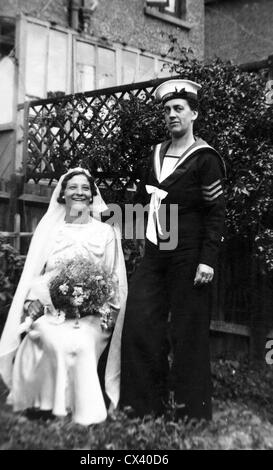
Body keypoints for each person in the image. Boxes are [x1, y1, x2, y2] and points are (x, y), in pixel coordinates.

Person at [120, 79, 226, 421]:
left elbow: (215, 212)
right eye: (166, 109)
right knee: (139, 320)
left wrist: (207, 259)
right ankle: (143, 402)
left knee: (188, 329)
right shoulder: (155, 153)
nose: (171, 114)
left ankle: (190, 409)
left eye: (178, 108)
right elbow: (142, 201)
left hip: (190, 252)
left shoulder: (205, 158)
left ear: (194, 114)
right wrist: (126, 233)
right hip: (157, 248)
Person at [0, 168, 127, 426]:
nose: (79, 192)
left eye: (85, 188)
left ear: (92, 196)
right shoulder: (51, 233)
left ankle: (85, 411)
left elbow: (114, 279)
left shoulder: (106, 233)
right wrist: (34, 301)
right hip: (52, 311)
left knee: (80, 342)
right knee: (54, 338)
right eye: (72, 187)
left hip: (93, 315)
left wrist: (105, 311)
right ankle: (52, 405)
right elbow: (38, 274)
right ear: (62, 195)